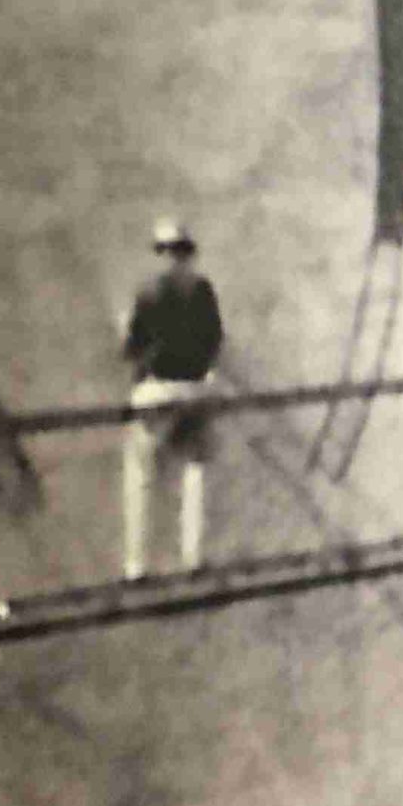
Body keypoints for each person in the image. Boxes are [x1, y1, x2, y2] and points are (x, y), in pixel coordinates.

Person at [120, 218, 224, 579]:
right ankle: (193, 559)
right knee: (195, 471)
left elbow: (130, 347)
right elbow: (214, 340)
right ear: (187, 251)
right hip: (195, 388)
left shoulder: (147, 289)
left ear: (161, 251)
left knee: (141, 475)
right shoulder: (203, 288)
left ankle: (136, 566)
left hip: (156, 389)